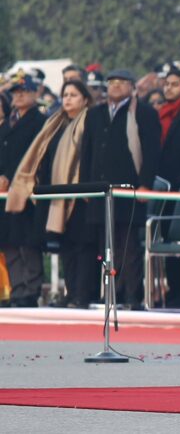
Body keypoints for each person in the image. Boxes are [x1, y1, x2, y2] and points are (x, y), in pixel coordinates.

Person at [79, 70, 161, 310]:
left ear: (132, 87)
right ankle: (111, 292)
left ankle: (132, 294)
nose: (115, 87)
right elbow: (87, 152)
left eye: (121, 83)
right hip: (101, 188)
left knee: (128, 245)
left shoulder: (144, 113)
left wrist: (146, 183)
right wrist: (87, 185)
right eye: (111, 83)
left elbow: (152, 151)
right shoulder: (95, 114)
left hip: (130, 188)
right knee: (106, 246)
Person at [5, 80, 92, 307]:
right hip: (46, 191)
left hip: (74, 193)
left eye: (73, 95)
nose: (68, 99)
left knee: (75, 246)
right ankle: (61, 292)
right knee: (61, 245)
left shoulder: (84, 122)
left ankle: (75, 294)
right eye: (65, 95)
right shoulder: (54, 123)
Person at [0, 75, 48, 306]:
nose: (19, 95)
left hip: (27, 190)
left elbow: (35, 156)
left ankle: (30, 289)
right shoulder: (8, 122)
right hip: (4, 193)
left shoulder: (40, 121)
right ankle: (17, 288)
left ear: (35, 93)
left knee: (27, 242)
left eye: (24, 91)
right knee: (8, 240)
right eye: (16, 91)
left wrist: (12, 176)